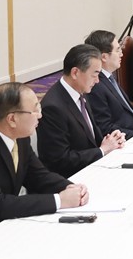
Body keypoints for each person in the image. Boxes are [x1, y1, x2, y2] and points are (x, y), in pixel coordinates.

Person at [0, 83, 89, 243]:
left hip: (5, 224)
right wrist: (59, 200)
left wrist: (70, 188)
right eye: (35, 110)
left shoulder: (20, 136)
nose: (40, 115)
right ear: (12, 119)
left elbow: (38, 176)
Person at [36, 45, 126, 177]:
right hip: (73, 178)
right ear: (75, 73)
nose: (97, 81)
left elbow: (91, 135)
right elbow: (59, 160)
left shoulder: (81, 91)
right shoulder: (53, 107)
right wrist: (102, 151)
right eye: (94, 74)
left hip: (93, 167)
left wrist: (112, 139)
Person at [84, 30, 133, 138]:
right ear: (104, 57)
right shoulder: (96, 86)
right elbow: (106, 128)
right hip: (130, 139)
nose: (121, 54)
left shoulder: (109, 78)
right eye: (117, 50)